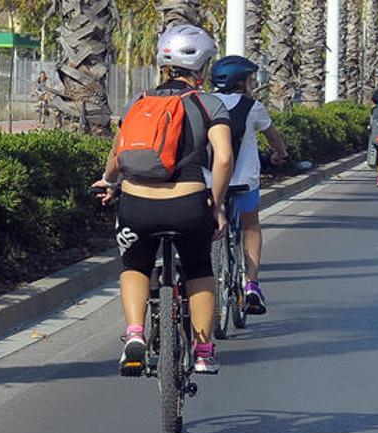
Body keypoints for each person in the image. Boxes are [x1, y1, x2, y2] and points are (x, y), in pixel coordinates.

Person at [92, 24, 233, 374]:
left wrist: (109, 182)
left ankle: (135, 334)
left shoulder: (139, 103)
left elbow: (118, 155)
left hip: (137, 205)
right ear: (202, 67)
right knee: (199, 266)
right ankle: (202, 351)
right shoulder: (208, 103)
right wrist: (215, 205)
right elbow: (224, 158)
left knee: (136, 264)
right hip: (187, 206)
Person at [209, 55, 289, 315]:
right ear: (241, 82)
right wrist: (280, 153)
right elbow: (273, 138)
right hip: (244, 182)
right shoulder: (253, 107)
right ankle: (252, 284)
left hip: (209, 182)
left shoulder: (203, 103)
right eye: (250, 80)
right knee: (251, 226)